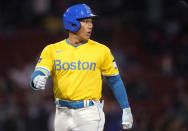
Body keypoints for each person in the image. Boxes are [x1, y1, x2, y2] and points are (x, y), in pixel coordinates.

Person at [30, 3, 133, 131]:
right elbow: (39, 72)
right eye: (86, 21)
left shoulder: (101, 51)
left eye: (90, 22)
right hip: (61, 112)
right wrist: (36, 80)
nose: (90, 25)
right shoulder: (52, 50)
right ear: (72, 23)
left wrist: (126, 108)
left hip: (89, 112)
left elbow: (115, 80)